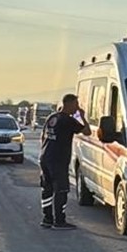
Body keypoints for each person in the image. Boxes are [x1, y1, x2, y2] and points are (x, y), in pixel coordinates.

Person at [39, 94, 91, 230]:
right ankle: (59, 221)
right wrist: (81, 116)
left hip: (45, 157)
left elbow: (42, 136)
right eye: (76, 104)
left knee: (47, 188)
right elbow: (87, 132)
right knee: (61, 190)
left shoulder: (52, 117)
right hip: (58, 160)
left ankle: (47, 218)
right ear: (68, 104)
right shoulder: (67, 120)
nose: (77, 107)